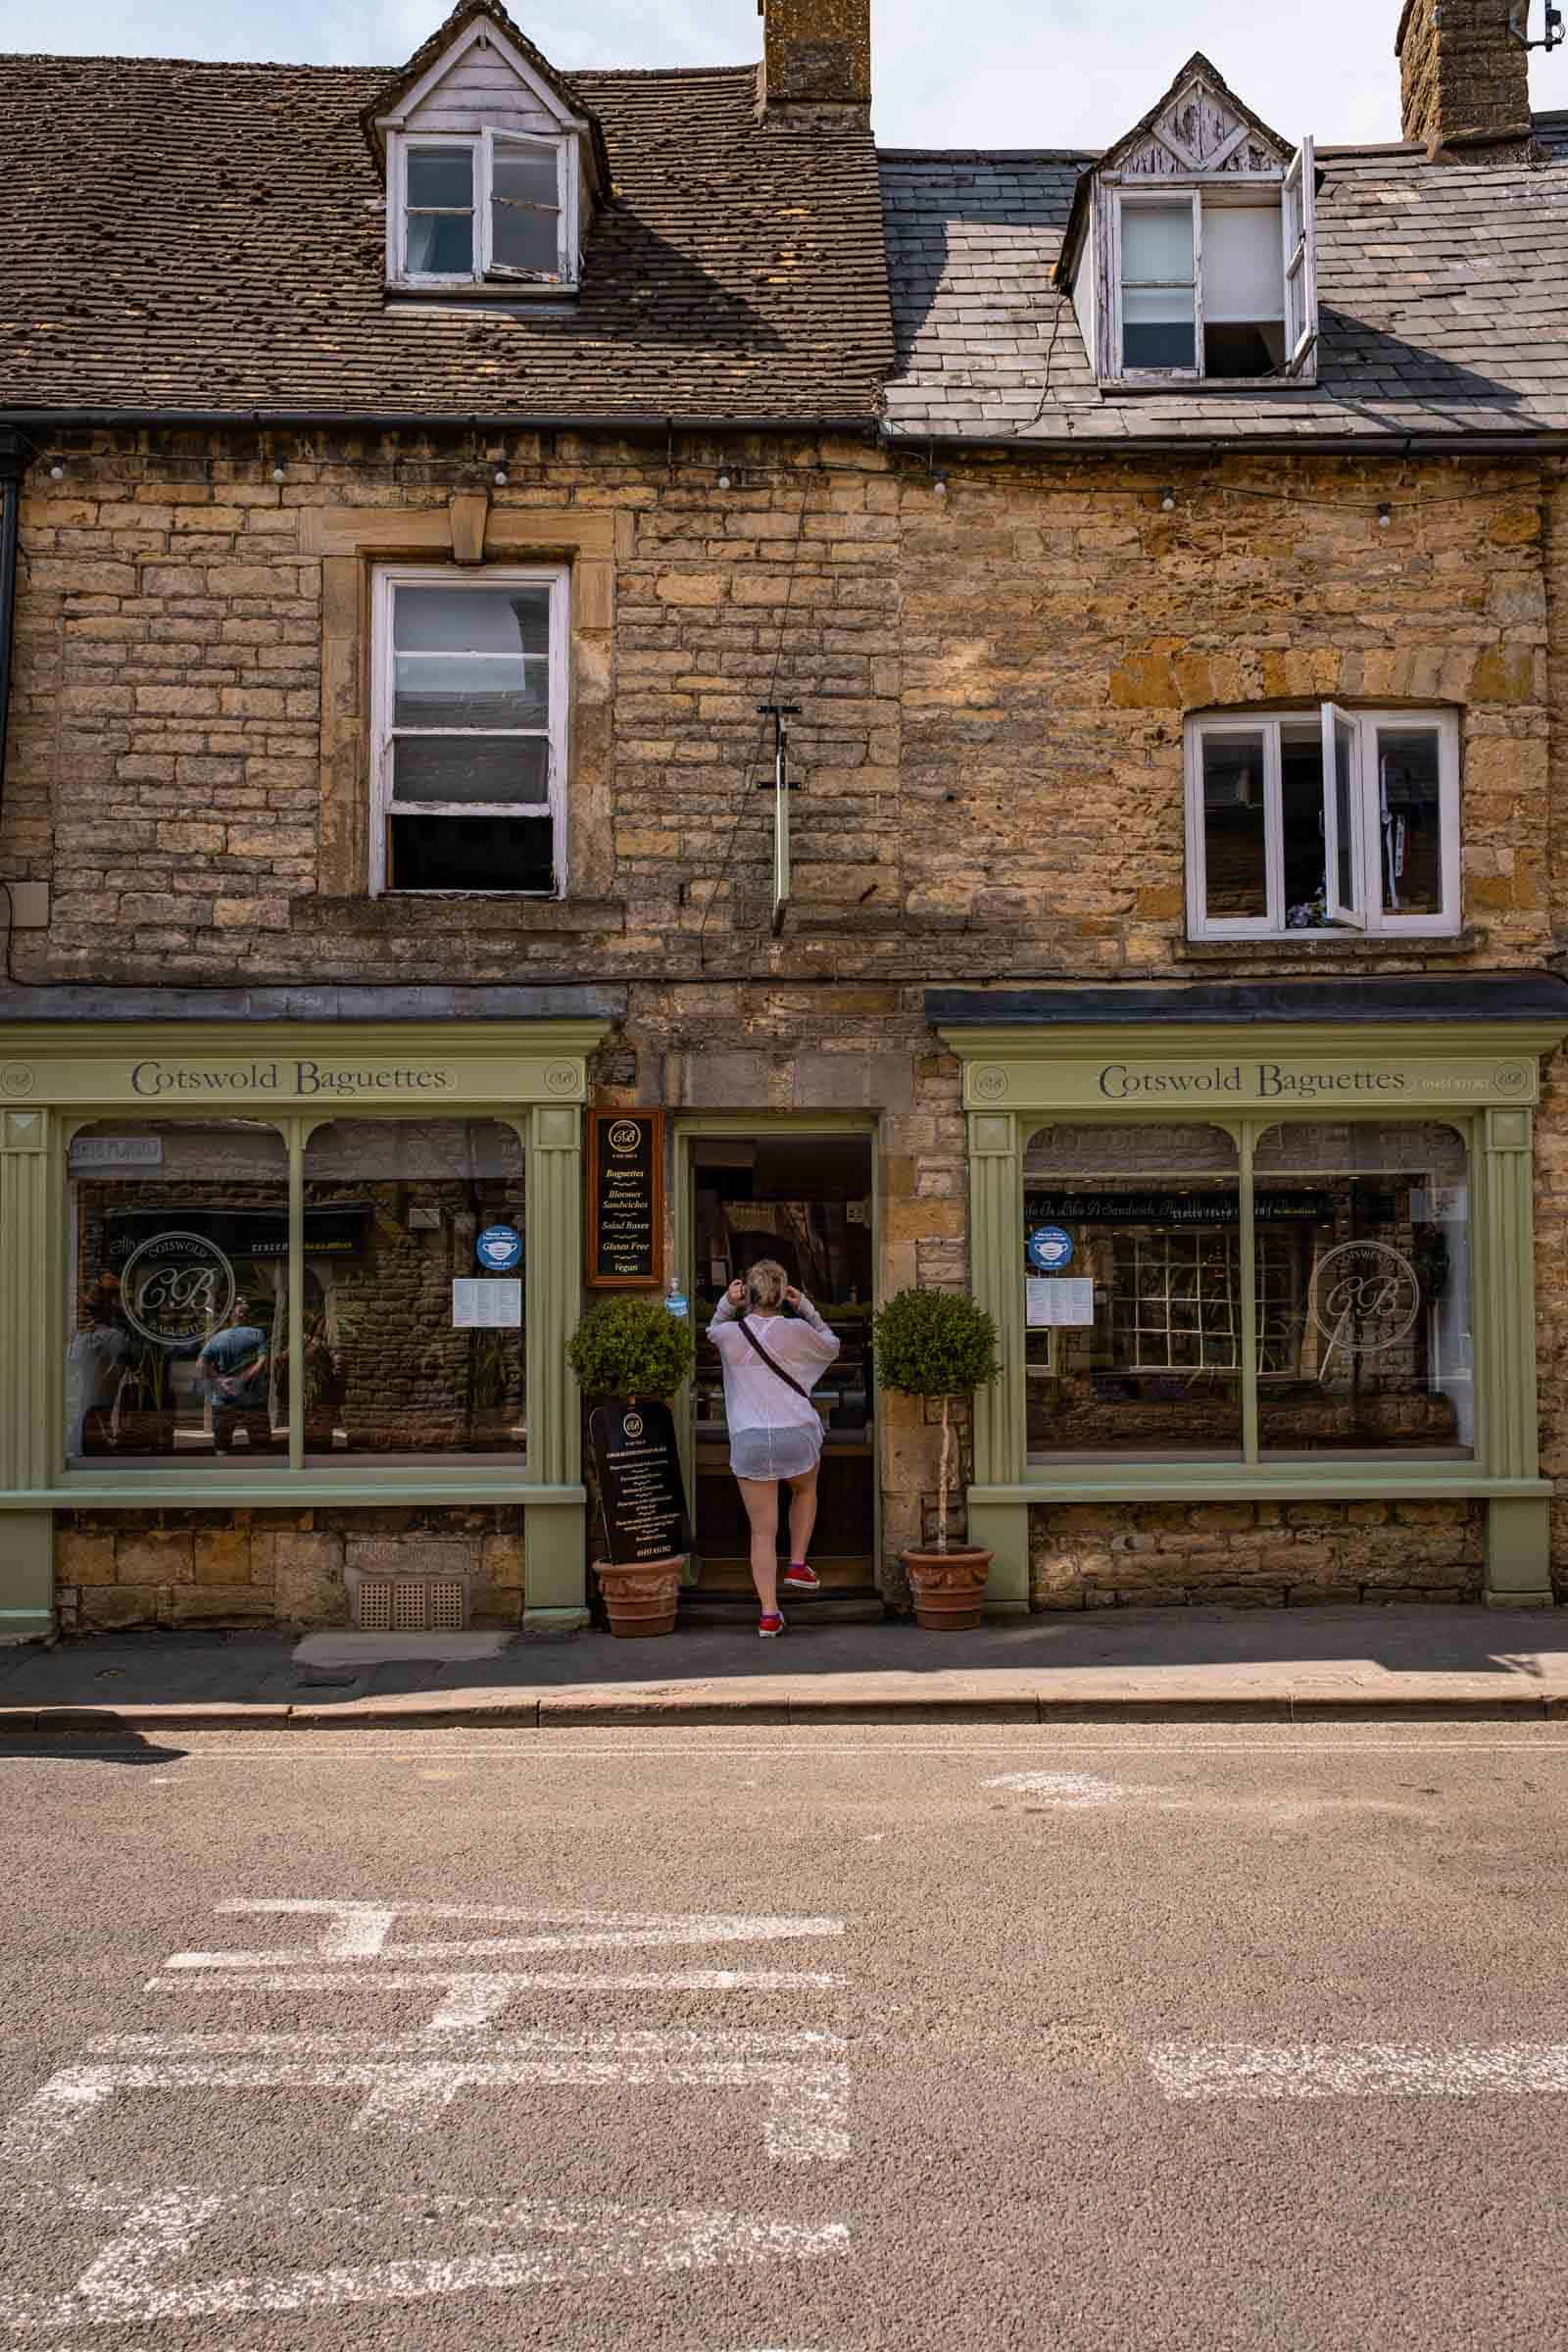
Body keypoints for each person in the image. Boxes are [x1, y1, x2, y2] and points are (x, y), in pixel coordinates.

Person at [708, 1258, 840, 1638]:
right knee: (805, 1488)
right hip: (795, 1432)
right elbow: (832, 1344)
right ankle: (798, 1562)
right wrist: (807, 1308)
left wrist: (725, 1304)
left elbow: (712, 1329)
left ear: (746, 1293)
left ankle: (768, 1614)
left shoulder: (731, 1334)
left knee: (762, 1531)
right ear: (784, 1294)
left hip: (750, 1437)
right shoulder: (798, 1330)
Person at [198, 1295, 273, 1453]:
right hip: (252, 1396)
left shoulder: (217, 1338)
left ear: (232, 1317)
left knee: (221, 1445)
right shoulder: (257, 1334)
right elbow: (262, 1360)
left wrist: (221, 1380)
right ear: (248, 1317)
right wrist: (245, 1377)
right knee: (260, 1446)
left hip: (223, 1397)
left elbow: (201, 1365)